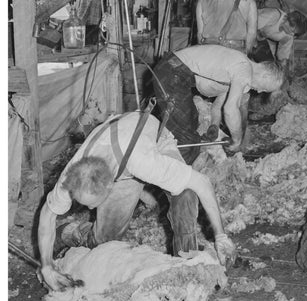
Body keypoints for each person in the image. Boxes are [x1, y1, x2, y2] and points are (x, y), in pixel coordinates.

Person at [37, 111, 236, 291]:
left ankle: (186, 261)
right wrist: (46, 265)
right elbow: (48, 211)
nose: (88, 208)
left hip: (149, 142)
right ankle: (71, 232)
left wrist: (221, 236)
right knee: (104, 243)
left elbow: (202, 183)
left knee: (185, 194)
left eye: (92, 203)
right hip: (120, 147)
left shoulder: (145, 162)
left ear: (109, 187)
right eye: (83, 202)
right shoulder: (72, 174)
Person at [152, 44, 285, 161]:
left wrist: (214, 126)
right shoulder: (244, 70)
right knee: (185, 139)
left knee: (192, 122)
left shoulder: (241, 73)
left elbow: (218, 107)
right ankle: (176, 183)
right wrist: (237, 139)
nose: (261, 92)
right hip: (173, 72)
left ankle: (176, 167)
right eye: (265, 88)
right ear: (265, 75)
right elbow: (230, 110)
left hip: (175, 72)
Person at [252, 7, 307, 76]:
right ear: (289, 21)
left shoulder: (288, 36)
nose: (292, 34)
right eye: (292, 31)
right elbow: (251, 24)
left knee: (270, 67)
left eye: (295, 33)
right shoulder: (275, 16)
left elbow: (283, 57)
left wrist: (282, 71)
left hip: (259, 38)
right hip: (244, 27)